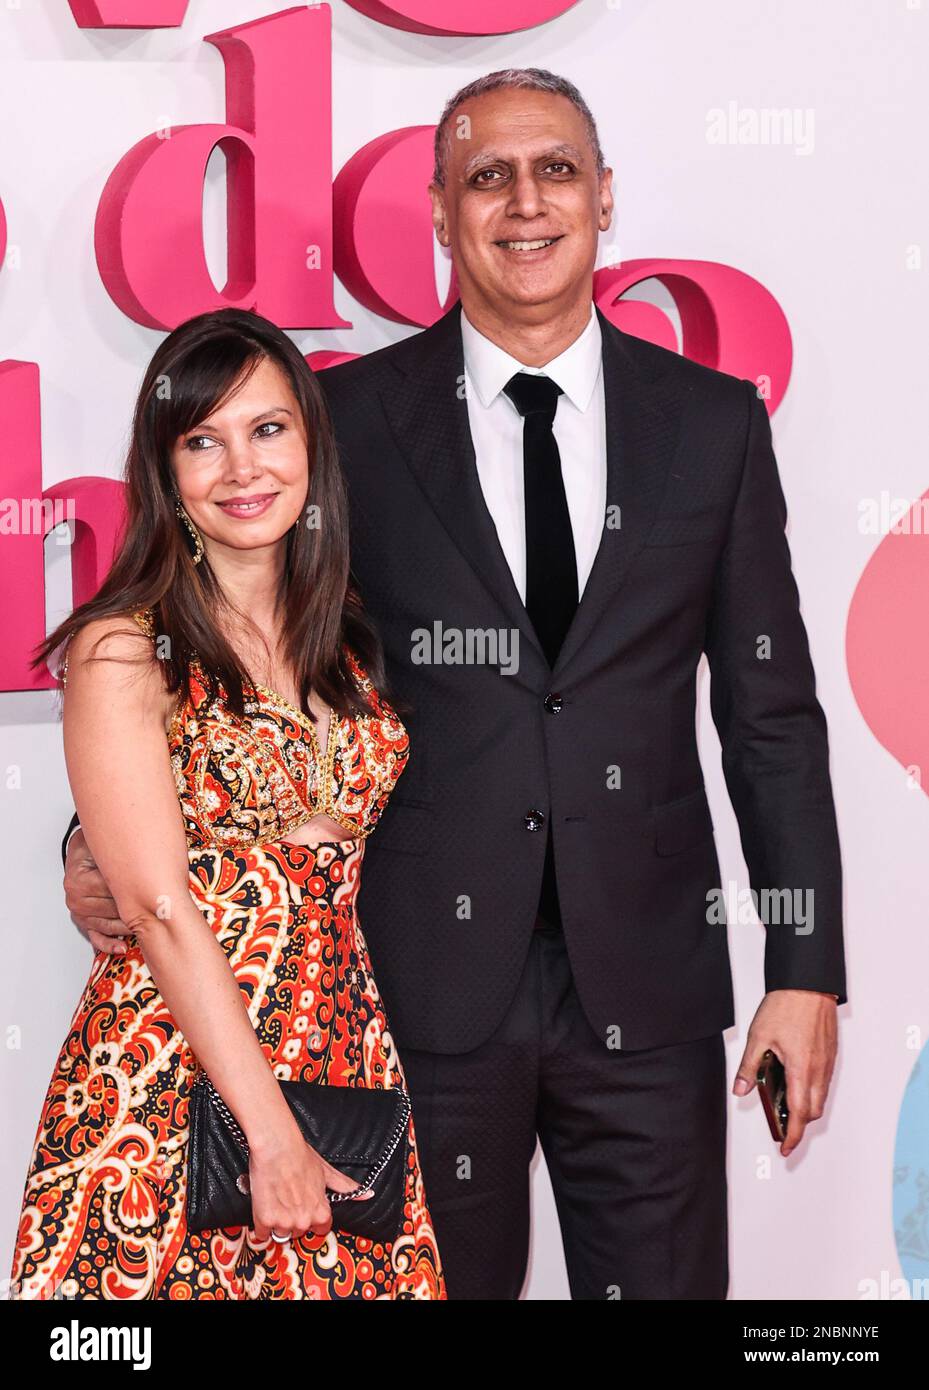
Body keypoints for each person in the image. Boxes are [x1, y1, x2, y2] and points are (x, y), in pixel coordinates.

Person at [61, 68, 845, 1301]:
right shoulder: (338, 426)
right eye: (485, 176)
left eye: (553, 171)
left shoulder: (710, 427)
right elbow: (227, 647)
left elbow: (771, 714)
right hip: (411, 991)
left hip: (648, 991)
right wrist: (94, 828)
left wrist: (802, 969)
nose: (521, 203)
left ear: (601, 199)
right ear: (437, 211)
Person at [11, 310, 445, 1300]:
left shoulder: (346, 642)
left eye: (267, 429)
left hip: (342, 1054)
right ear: (165, 473)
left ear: (310, 444)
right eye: (201, 440)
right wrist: (270, 1132)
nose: (239, 467)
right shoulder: (125, 646)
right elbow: (159, 901)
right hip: (175, 1071)